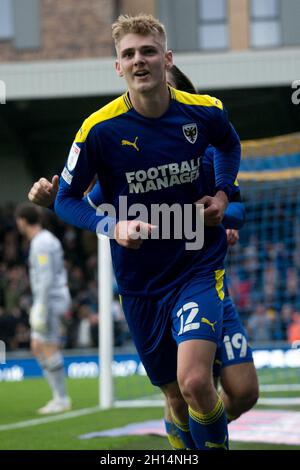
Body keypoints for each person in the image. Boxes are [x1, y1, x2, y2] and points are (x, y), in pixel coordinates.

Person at [30, 14, 242, 450]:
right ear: (117, 67)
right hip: (140, 284)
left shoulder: (204, 112)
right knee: (174, 399)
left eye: (147, 51)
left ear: (167, 59)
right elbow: (67, 199)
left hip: (197, 268)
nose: (138, 60)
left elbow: (229, 144)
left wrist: (221, 196)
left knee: (196, 380)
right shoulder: (98, 130)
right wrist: (112, 226)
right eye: (128, 54)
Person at [15, 203, 71, 414]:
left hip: (50, 301)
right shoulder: (43, 241)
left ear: (22, 221)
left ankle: (61, 398)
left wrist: (40, 306)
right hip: (48, 299)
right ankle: (58, 396)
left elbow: (46, 277)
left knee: (48, 345)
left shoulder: (42, 243)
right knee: (37, 346)